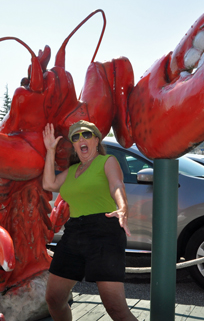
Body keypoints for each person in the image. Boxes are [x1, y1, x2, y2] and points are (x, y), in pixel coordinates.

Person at [42, 120, 137, 321]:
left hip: (105, 233)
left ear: (96, 140)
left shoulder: (107, 161)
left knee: (115, 308)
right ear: (74, 145)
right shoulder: (72, 170)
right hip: (74, 233)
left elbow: (116, 185)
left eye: (86, 135)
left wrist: (123, 206)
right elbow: (49, 183)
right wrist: (50, 150)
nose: (81, 139)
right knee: (54, 299)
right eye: (76, 137)